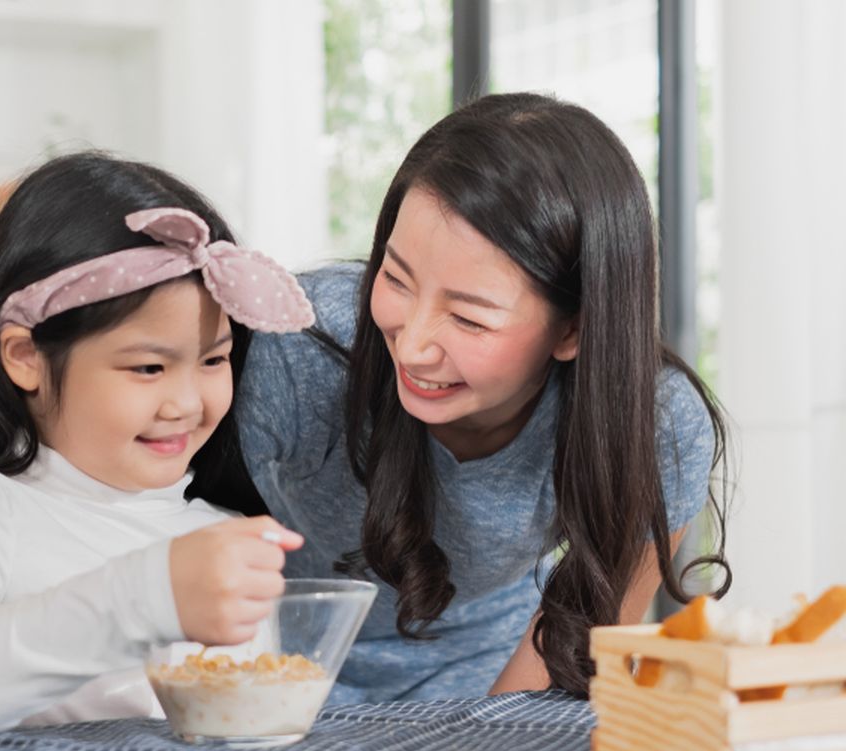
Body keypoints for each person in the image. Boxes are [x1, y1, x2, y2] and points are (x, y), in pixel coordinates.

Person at [232, 92, 731, 702]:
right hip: (264, 660)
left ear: (574, 327)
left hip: (489, 672)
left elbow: (579, 645)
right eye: (394, 278)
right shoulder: (302, 347)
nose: (413, 347)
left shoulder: (655, 424)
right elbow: (160, 533)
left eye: (469, 319)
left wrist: (481, 747)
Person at [0, 152, 313, 749]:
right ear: (25, 356)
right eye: (149, 367)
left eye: (213, 360)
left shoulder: (223, 531)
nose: (185, 403)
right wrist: (145, 597)